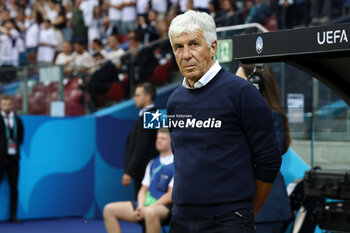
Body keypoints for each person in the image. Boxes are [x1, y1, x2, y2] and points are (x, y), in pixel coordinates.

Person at [166, 10, 281, 233]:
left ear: (213, 47)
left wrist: (247, 212)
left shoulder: (242, 93)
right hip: (180, 218)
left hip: (228, 221)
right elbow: (182, 157)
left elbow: (269, 159)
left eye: (194, 44)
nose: (186, 54)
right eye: (178, 47)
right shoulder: (174, 100)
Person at [236, 63, 292, 232]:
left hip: (265, 213)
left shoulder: (270, 118)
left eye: (239, 82)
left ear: (256, 86)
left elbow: (261, 159)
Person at [104, 128, 174, 233]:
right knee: (109, 210)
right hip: (146, 205)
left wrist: (149, 207)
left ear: (172, 142)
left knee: (151, 212)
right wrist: (141, 206)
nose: (158, 141)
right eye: (157, 138)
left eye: (163, 138)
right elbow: (143, 189)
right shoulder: (152, 163)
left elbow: (170, 195)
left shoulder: (177, 164)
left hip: (164, 207)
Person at [122, 82, 158, 198]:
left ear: (147, 97)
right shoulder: (149, 115)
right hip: (143, 172)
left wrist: (129, 172)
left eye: (138, 95)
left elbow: (141, 147)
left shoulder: (151, 116)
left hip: (146, 173)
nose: (134, 98)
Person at [0, 95, 24, 223]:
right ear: (0, 105)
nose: (7, 107)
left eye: (9, 104)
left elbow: (20, 138)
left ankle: (13, 214)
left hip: (14, 158)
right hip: (0, 158)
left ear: (12, 105)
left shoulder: (18, 120)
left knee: (14, 187)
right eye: (4, 104)